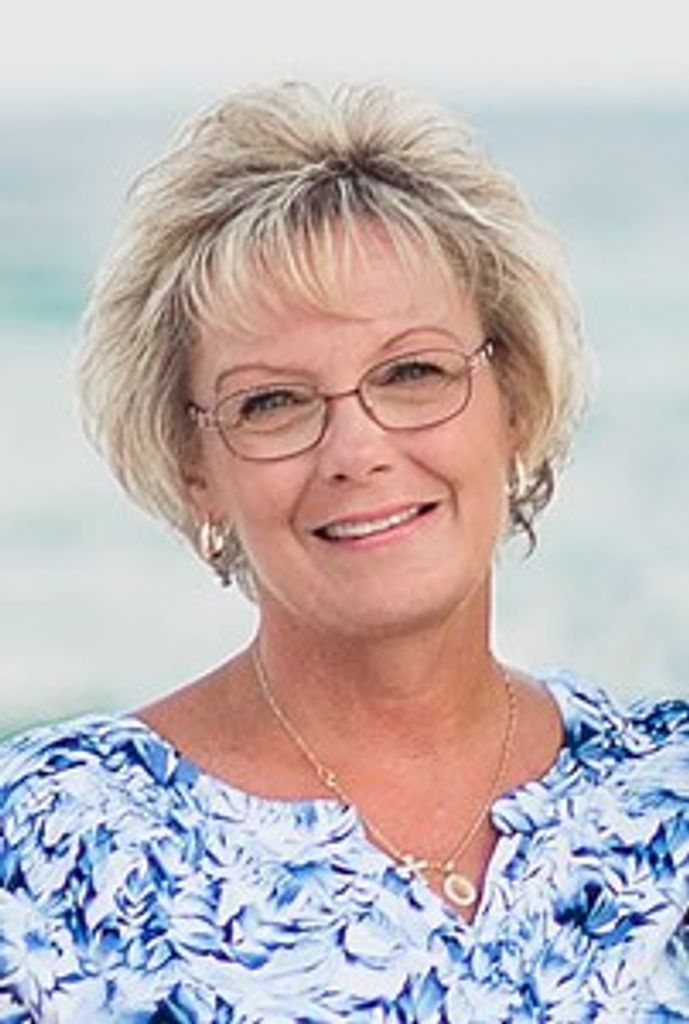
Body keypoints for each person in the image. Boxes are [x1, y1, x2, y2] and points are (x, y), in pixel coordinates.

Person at [0, 82, 686, 1023]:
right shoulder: (46, 852)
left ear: (515, 401)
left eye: (411, 373)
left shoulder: (665, 790)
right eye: (272, 403)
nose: (356, 450)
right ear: (196, 470)